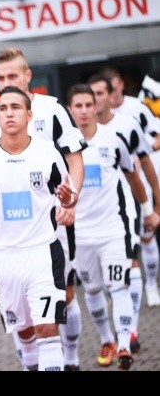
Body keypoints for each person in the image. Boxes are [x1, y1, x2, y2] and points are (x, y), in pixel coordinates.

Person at [0, 47, 86, 371]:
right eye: (1, 78)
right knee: (19, 312)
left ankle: (71, 359)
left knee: (64, 294)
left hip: (51, 221)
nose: (7, 82)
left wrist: (73, 200)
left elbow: (74, 156)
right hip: (7, 233)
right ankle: (32, 363)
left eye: (13, 75)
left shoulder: (52, 110)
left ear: (28, 76)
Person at [0, 85, 75, 371]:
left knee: (47, 329)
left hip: (43, 253)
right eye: (3, 108)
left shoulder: (48, 152)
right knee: (23, 331)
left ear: (29, 114)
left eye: (15, 107)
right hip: (5, 257)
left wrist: (68, 199)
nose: (9, 113)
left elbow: (69, 194)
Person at [65, 83, 159, 371]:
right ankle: (106, 338)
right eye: (77, 106)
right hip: (80, 234)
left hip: (112, 230)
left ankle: (122, 345)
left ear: (96, 106)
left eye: (87, 105)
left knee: (118, 286)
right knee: (92, 290)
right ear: (70, 109)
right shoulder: (61, 145)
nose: (83, 111)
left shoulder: (113, 138)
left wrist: (148, 211)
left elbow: (133, 177)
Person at [100, 65, 160, 309]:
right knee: (125, 247)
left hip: (139, 184)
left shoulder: (137, 108)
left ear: (121, 85)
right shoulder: (94, 119)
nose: (112, 95)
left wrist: (143, 152)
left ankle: (152, 285)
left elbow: (156, 135)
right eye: (106, 91)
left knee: (146, 238)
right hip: (112, 194)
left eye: (114, 89)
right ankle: (121, 297)